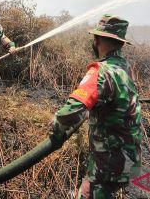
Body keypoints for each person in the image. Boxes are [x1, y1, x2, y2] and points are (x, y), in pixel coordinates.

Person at [51, 14, 142, 198]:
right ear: (121, 43)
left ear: (97, 39)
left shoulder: (101, 71)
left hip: (107, 162)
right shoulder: (125, 67)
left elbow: (72, 110)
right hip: (129, 158)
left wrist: (56, 127)